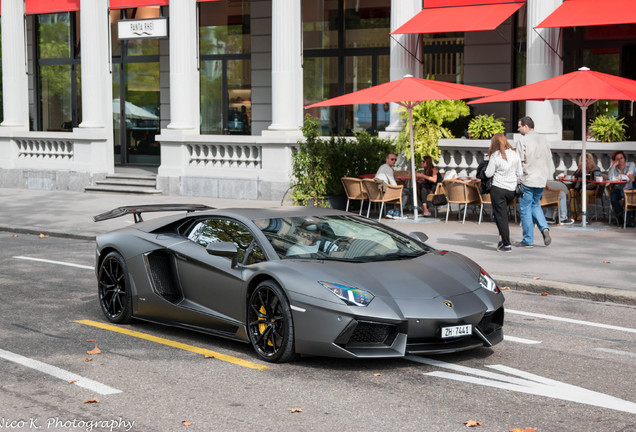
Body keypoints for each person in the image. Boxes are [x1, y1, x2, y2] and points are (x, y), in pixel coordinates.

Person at [516, 116, 555, 248]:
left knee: (525, 209)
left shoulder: (523, 140)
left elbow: (519, 161)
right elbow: (550, 160)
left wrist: (517, 178)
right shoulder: (544, 140)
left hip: (527, 178)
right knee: (535, 204)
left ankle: (528, 240)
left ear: (526, 126)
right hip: (541, 178)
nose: (518, 129)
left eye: (519, 126)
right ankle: (544, 228)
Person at [485, 133, 522, 252]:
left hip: (498, 188)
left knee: (501, 216)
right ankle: (502, 239)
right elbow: (519, 173)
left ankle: (506, 244)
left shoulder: (495, 156)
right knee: (502, 215)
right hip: (511, 189)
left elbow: (488, 174)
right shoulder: (515, 154)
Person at [607, 150, 636, 226]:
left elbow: (629, 177)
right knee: (613, 198)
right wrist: (613, 166)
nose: (620, 160)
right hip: (619, 189)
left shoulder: (631, 165)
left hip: (629, 189)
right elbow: (609, 178)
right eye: (617, 159)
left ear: (625, 158)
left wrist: (617, 177)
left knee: (627, 199)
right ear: (615, 161)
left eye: (621, 158)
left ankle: (629, 219)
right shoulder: (615, 168)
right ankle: (620, 218)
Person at [374, 152, 405, 219]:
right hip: (384, 191)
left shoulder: (382, 167)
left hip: (377, 191)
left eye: (395, 159)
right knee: (403, 192)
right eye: (392, 159)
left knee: (393, 191)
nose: (394, 161)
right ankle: (397, 213)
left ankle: (390, 212)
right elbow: (392, 182)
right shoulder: (388, 168)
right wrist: (399, 188)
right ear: (387, 160)